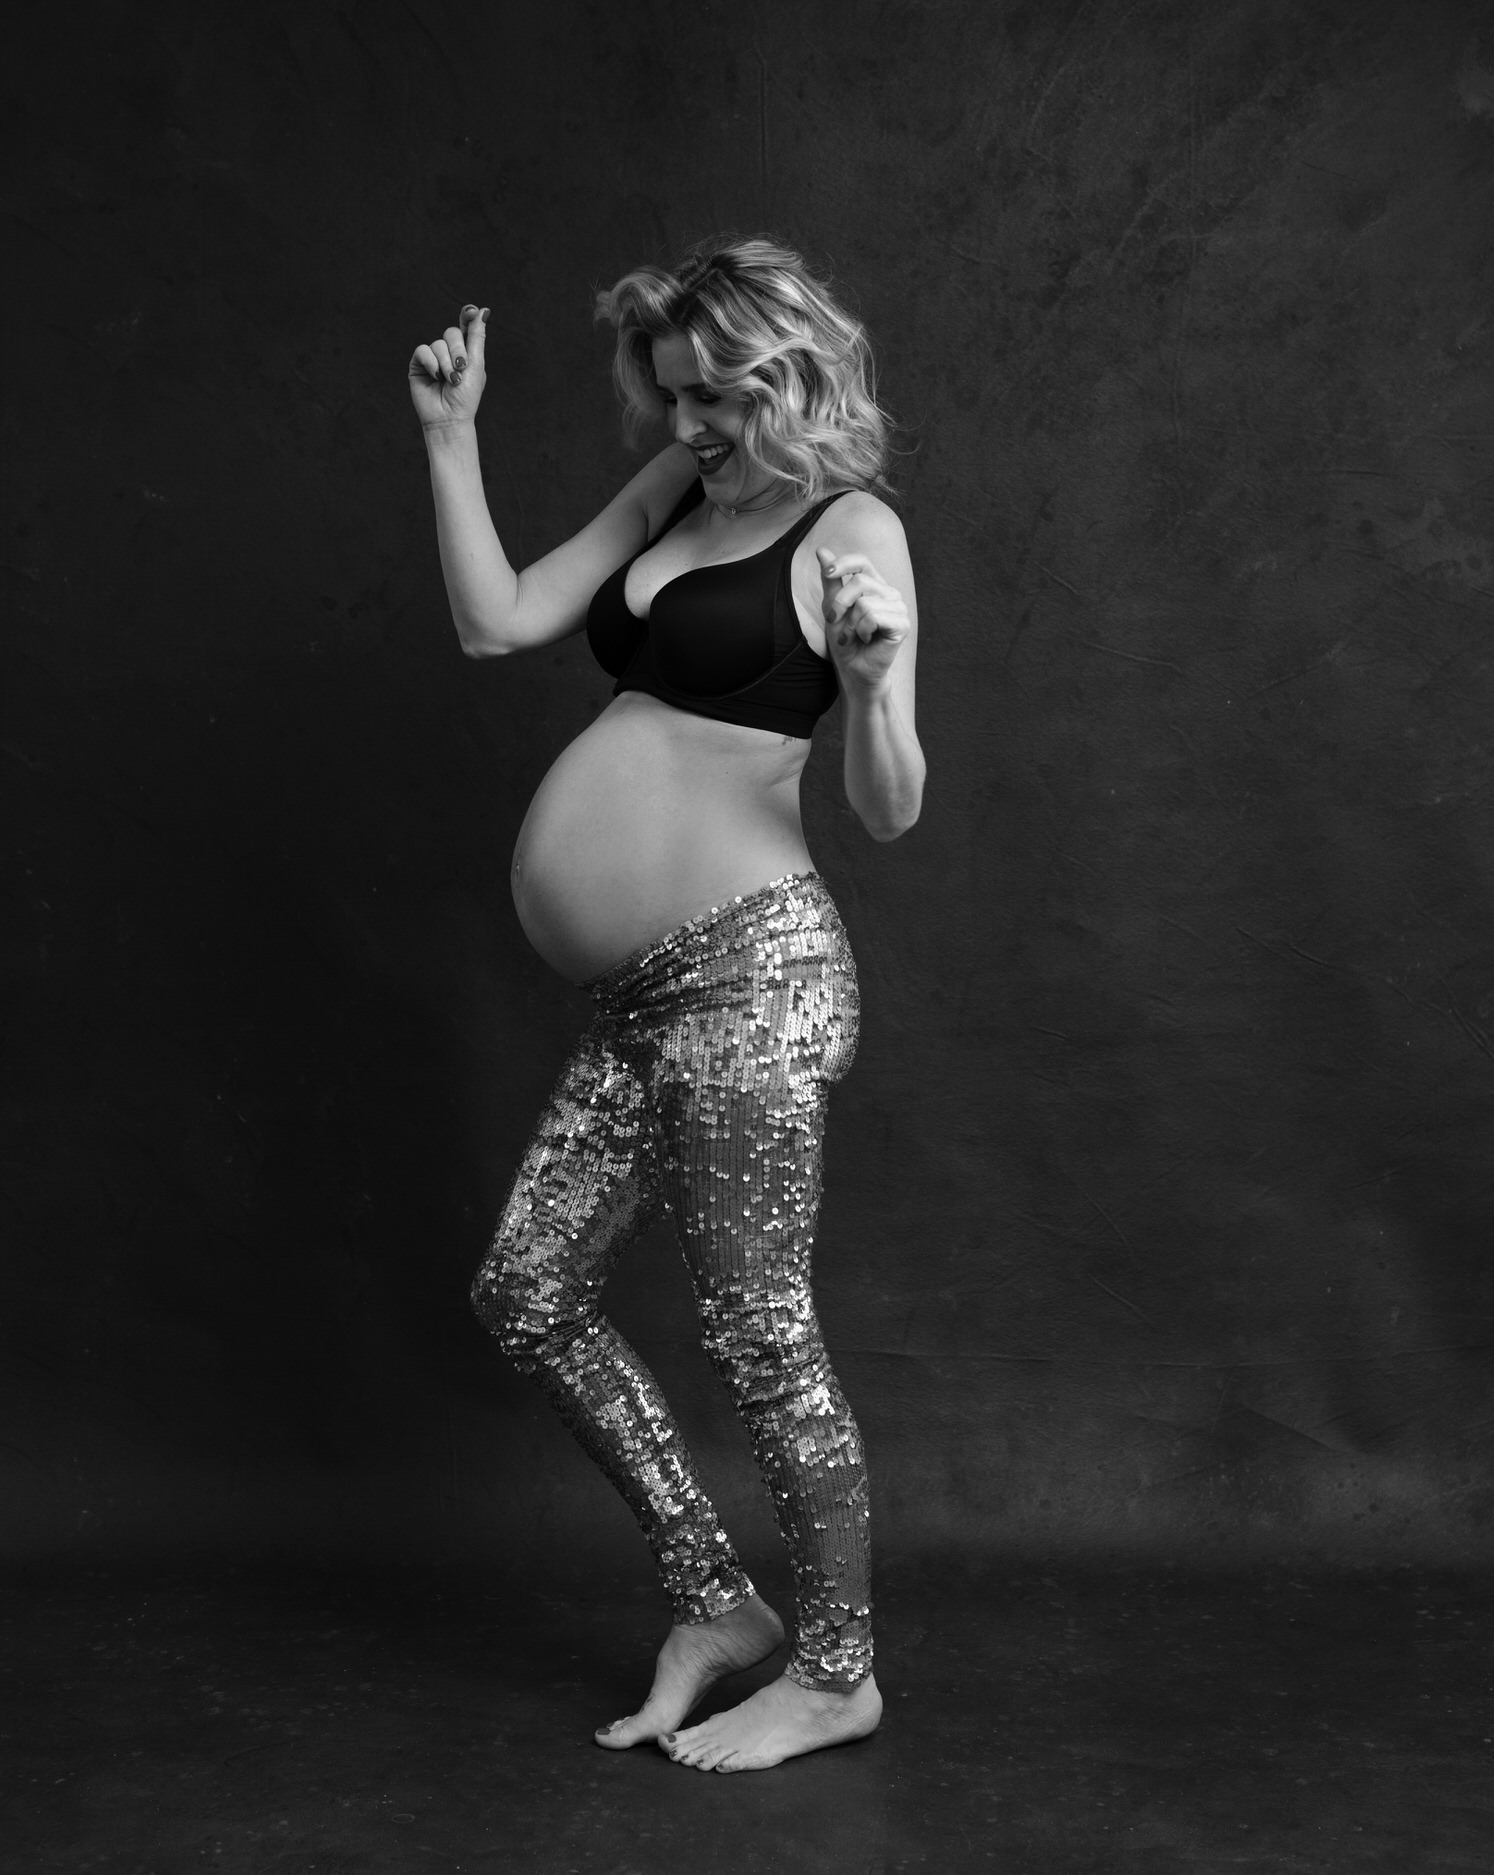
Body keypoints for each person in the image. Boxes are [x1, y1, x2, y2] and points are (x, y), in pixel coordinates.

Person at [408, 236, 924, 1773]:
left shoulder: (857, 528)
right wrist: (452, 439)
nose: (688, 422)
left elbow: (890, 809)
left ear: (791, 373)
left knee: (758, 1327)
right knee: (527, 1293)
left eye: (716, 394)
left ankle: (838, 1670)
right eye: (673, 391)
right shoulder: (679, 498)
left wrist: (880, 684)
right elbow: (497, 621)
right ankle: (719, 1602)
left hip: (752, 974)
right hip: (640, 998)